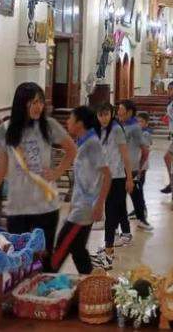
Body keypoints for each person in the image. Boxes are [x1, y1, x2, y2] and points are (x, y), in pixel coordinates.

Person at [0, 82, 78, 272]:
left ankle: (42, 297)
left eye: (41, 102)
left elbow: (71, 150)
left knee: (44, 257)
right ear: (21, 104)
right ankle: (20, 297)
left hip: (45, 205)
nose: (38, 107)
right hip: (18, 205)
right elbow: (1, 167)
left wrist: (56, 172)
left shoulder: (49, 126)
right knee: (17, 257)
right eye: (33, 103)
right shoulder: (5, 130)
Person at [51, 106, 110, 275]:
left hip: (85, 207)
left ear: (80, 123)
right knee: (78, 250)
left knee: (61, 249)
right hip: (79, 205)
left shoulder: (92, 144)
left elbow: (107, 175)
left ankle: (44, 285)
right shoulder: (82, 142)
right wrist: (72, 203)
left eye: (71, 119)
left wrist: (99, 205)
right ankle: (92, 287)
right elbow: (82, 177)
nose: (67, 122)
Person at [92, 103, 135, 270]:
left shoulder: (116, 129)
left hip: (117, 177)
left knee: (111, 213)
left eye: (106, 114)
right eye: (100, 114)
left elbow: (125, 154)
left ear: (112, 114)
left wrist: (129, 178)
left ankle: (109, 251)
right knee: (110, 211)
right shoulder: (97, 130)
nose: (103, 118)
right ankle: (109, 246)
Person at [118, 101, 153, 232]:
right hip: (119, 166)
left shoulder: (135, 127)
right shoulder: (121, 125)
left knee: (135, 195)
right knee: (126, 196)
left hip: (131, 167)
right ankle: (133, 221)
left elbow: (144, 149)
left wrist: (139, 168)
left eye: (121, 109)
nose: (119, 112)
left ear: (129, 112)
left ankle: (140, 219)